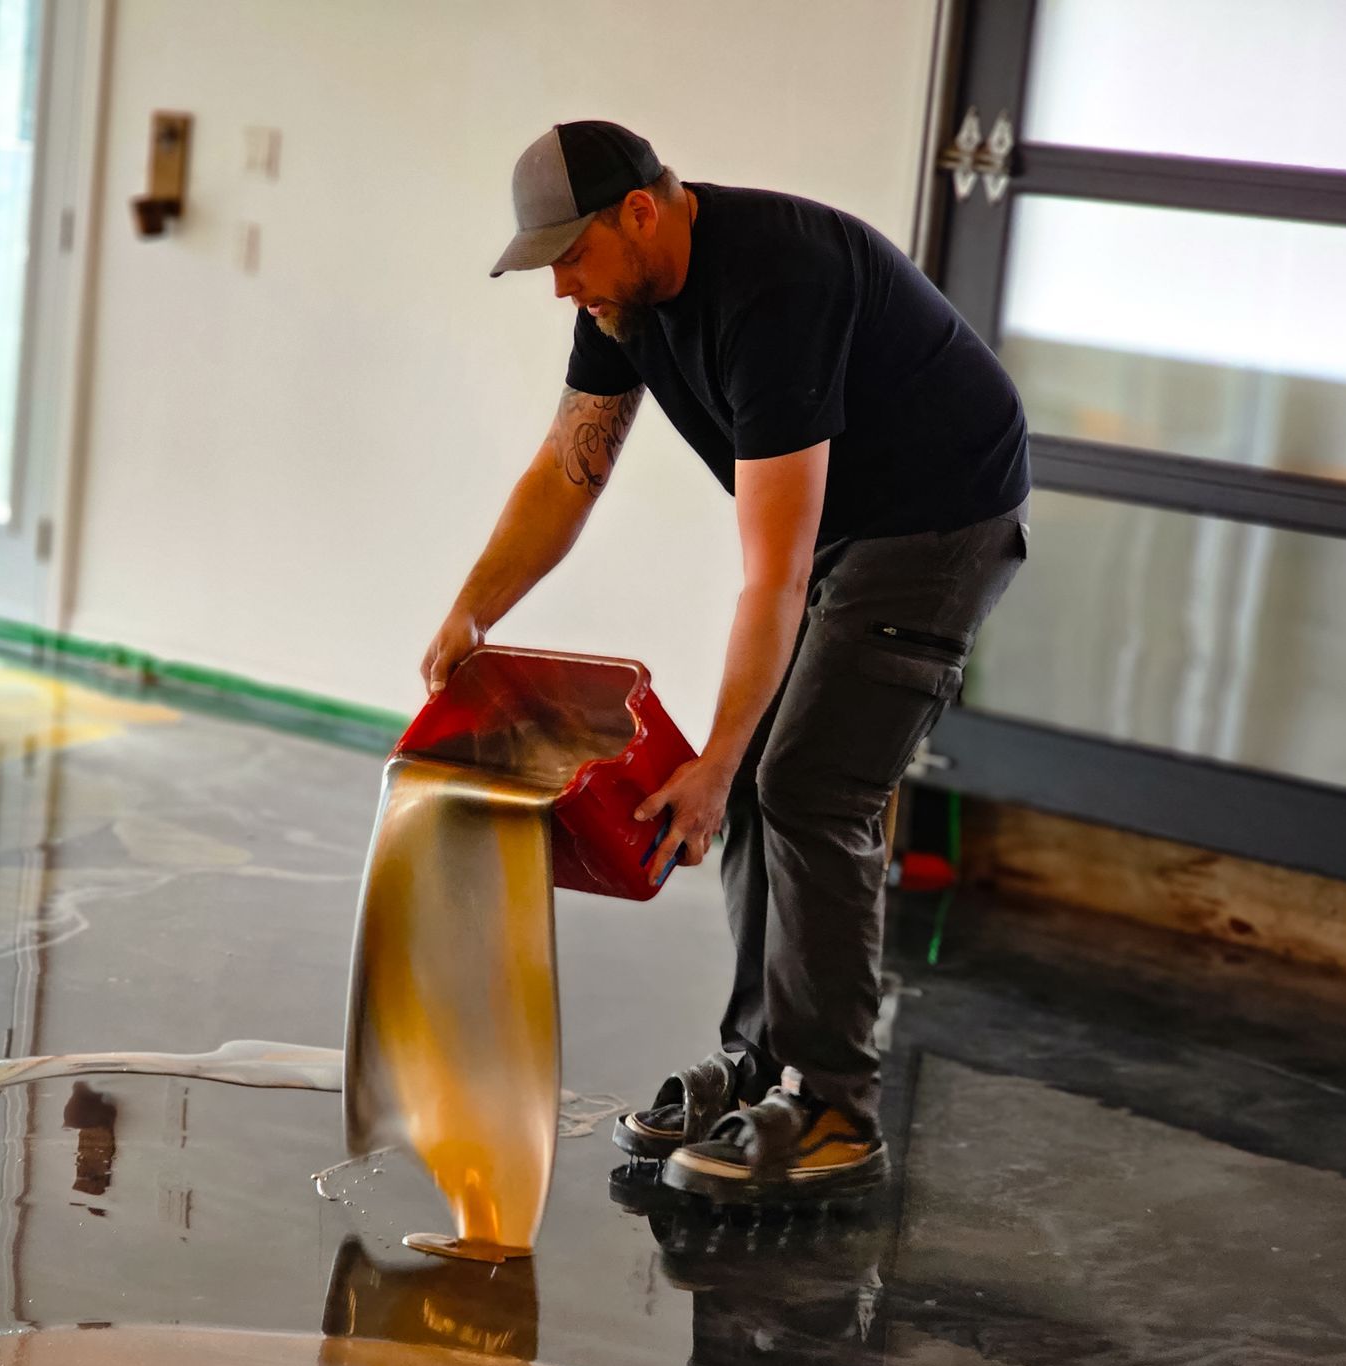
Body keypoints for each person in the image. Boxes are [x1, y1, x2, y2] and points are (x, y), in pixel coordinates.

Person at [421, 121, 1030, 1206]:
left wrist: (716, 760)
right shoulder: (624, 297)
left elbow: (775, 575)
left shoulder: (775, 291)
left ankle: (832, 1109)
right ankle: (762, 1069)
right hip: (851, 532)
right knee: (758, 773)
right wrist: (473, 610)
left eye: (569, 254)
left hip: (939, 524)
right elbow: (571, 472)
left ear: (641, 212)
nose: (560, 286)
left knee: (806, 782)